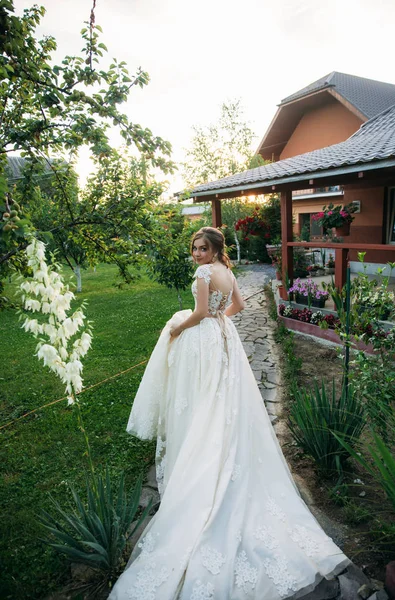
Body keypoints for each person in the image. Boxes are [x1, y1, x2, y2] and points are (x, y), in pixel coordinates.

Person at [109, 227, 349, 600]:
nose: (196, 254)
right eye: (193, 248)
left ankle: (202, 457)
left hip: (205, 337)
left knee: (205, 399)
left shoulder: (206, 274)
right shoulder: (228, 272)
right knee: (222, 400)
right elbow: (237, 306)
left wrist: (177, 327)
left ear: (215, 249)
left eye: (202, 248)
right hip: (223, 338)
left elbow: (202, 311)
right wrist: (222, 320)